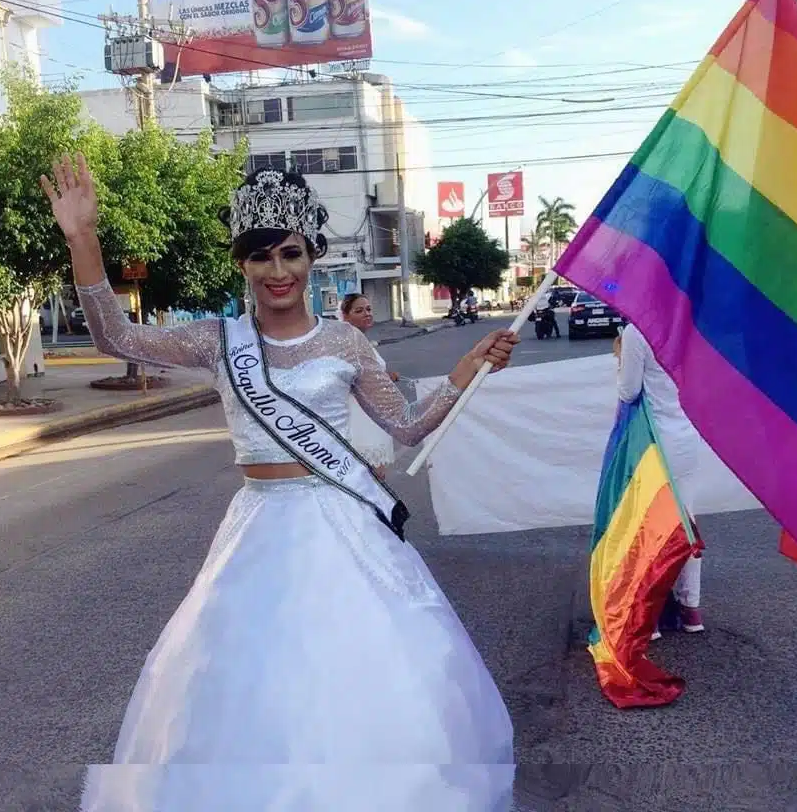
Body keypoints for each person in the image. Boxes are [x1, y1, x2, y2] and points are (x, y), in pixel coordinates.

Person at [42, 156, 520, 810]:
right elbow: (118, 336)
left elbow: (409, 426)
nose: (277, 271)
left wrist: (468, 365)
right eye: (260, 256)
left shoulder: (346, 346)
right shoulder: (219, 342)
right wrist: (83, 241)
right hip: (257, 525)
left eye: (290, 253)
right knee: (247, 683)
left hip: (342, 526)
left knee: (351, 681)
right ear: (241, 264)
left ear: (312, 256)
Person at [614, 324, 704, 635]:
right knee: (686, 522)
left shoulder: (636, 331)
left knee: (648, 526)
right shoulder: (686, 324)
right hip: (687, 438)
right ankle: (691, 607)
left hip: (654, 442)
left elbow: (628, 391)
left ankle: (648, 615)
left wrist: (620, 359)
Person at [339, 292, 397, 479]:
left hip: (372, 417)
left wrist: (385, 376)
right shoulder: (347, 343)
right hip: (358, 421)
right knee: (368, 480)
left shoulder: (361, 341)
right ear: (346, 316)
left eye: (369, 309)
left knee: (375, 479)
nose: (367, 314)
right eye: (359, 310)